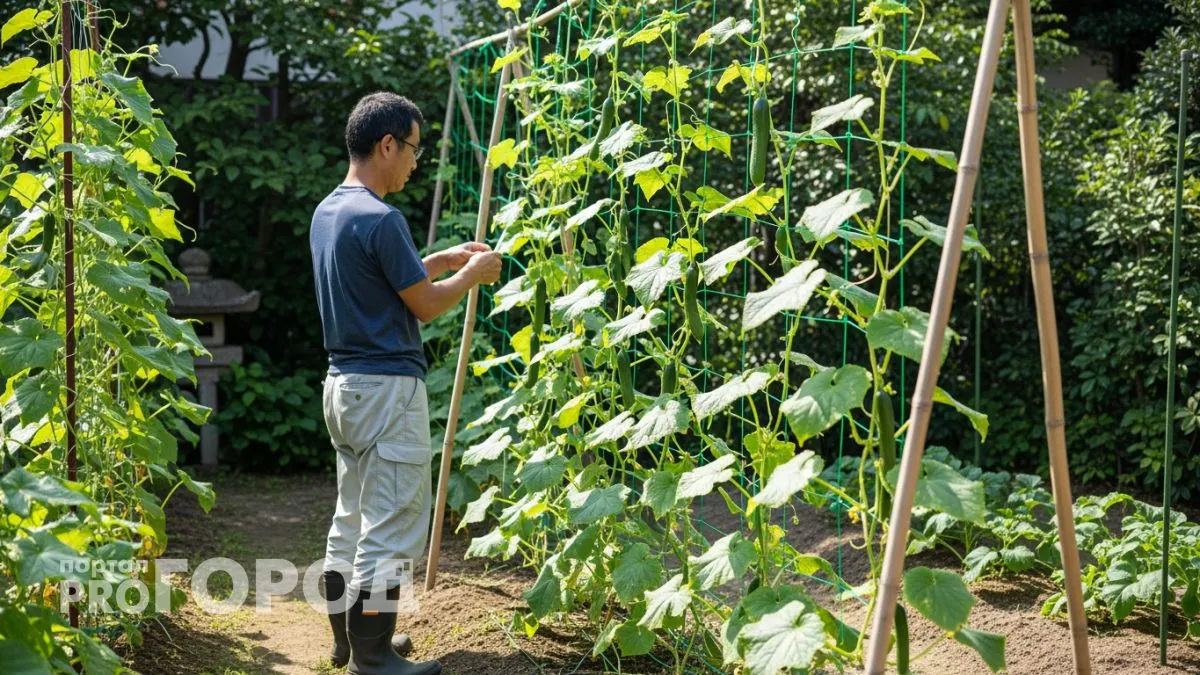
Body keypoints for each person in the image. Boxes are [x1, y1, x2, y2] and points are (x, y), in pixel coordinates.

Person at [309, 91, 501, 675]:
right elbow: (422, 307)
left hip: (343, 387)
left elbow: (378, 282)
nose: (416, 162)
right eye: (413, 149)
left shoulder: (330, 211)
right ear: (386, 144)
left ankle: (349, 641)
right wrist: (470, 275)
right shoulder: (383, 217)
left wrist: (439, 259)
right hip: (388, 389)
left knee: (352, 517)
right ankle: (375, 660)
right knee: (391, 524)